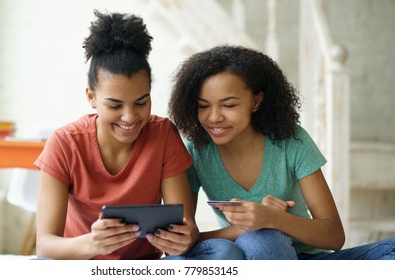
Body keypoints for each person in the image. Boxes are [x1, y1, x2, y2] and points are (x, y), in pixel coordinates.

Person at [34, 11, 243, 260]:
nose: (130, 117)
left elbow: (186, 227)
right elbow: (46, 245)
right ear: (91, 97)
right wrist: (94, 244)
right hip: (81, 264)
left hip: (144, 266)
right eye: (114, 106)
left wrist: (182, 239)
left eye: (141, 102)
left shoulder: (163, 134)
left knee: (224, 253)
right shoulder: (65, 143)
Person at [168, 45, 395, 260]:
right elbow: (186, 240)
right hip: (252, 257)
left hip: (308, 260)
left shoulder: (291, 141)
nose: (214, 117)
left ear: (256, 101)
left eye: (228, 105)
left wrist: (274, 219)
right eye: (203, 106)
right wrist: (252, 226)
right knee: (254, 241)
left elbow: (334, 236)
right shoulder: (196, 151)